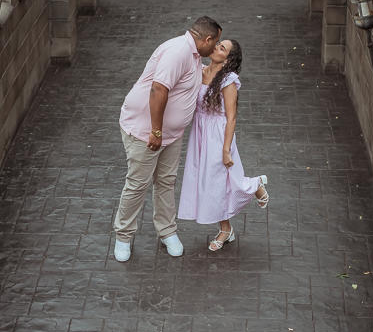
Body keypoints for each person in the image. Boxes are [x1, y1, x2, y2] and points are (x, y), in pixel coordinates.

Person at [113, 16, 222, 262]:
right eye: (216, 42)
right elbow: (158, 89)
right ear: (206, 39)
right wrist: (156, 131)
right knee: (137, 184)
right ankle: (123, 236)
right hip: (147, 132)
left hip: (171, 135)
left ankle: (167, 231)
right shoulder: (178, 52)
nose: (216, 47)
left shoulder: (194, 55)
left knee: (166, 181)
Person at [178, 38, 269, 251]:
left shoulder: (228, 80)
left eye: (222, 48)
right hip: (200, 133)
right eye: (218, 44)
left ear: (227, 59)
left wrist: (226, 149)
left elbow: (231, 117)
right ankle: (227, 227)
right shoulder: (200, 71)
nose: (216, 48)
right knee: (210, 183)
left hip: (218, 134)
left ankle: (254, 187)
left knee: (219, 181)